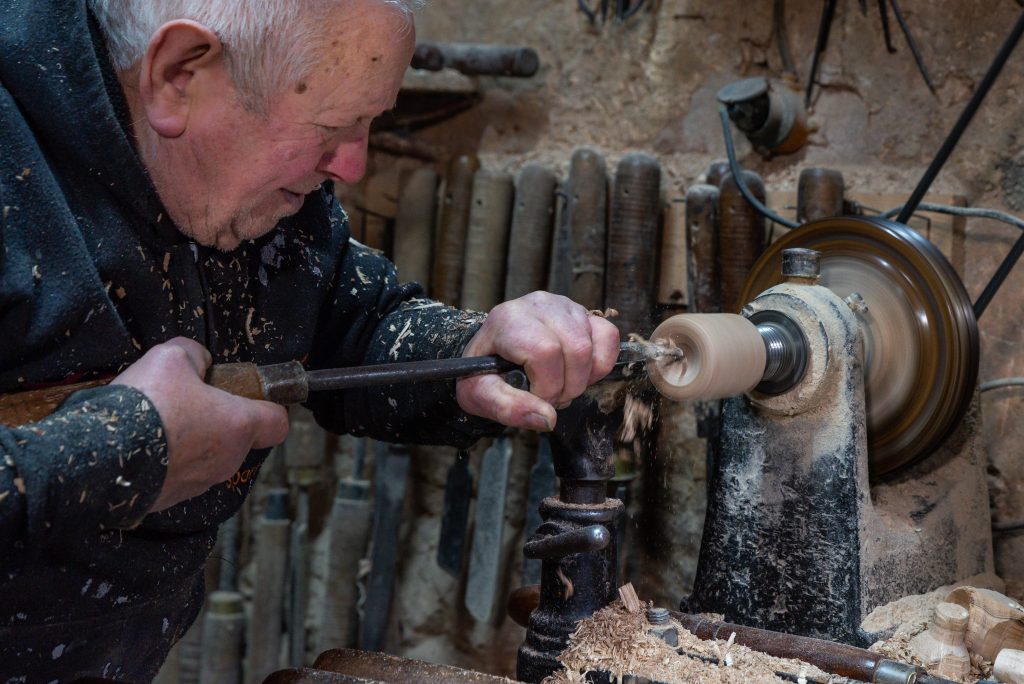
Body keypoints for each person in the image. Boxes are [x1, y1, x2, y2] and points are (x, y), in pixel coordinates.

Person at [0, 0, 619, 679]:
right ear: (179, 75)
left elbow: (348, 317)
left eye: (368, 123)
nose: (351, 165)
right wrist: (117, 453)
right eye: (331, 127)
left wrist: (467, 352)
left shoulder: (269, 197)